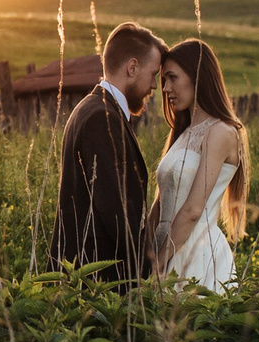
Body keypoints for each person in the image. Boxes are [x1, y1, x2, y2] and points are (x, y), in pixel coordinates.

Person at [55, 22, 164, 280]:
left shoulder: (92, 107)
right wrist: (146, 271)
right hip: (98, 280)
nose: (155, 86)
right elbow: (116, 211)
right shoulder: (101, 118)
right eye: (153, 74)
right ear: (133, 67)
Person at [145, 37, 248, 291]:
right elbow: (160, 203)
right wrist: (143, 256)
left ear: (197, 76)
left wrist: (158, 264)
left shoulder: (221, 132)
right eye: (163, 80)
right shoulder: (182, 133)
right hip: (166, 248)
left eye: (172, 78)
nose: (166, 89)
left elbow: (193, 209)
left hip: (195, 251)